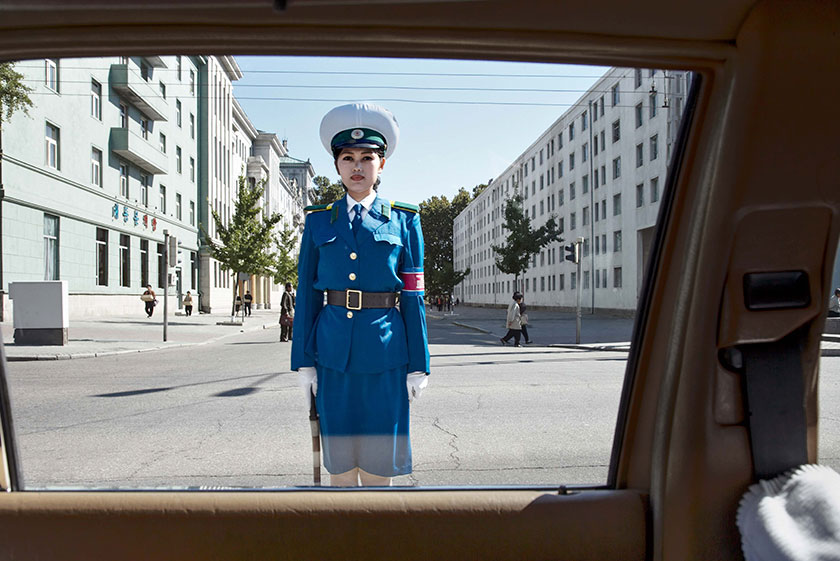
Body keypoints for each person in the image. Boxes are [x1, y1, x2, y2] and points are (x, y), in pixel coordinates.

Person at [292, 102, 430, 487]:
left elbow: (414, 298)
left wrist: (419, 363)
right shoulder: (319, 220)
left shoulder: (405, 220)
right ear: (336, 165)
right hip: (332, 354)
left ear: (381, 165)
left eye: (367, 158)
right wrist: (304, 363)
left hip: (387, 356)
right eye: (348, 157)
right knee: (339, 467)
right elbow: (306, 295)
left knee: (378, 465)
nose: (357, 166)